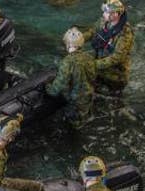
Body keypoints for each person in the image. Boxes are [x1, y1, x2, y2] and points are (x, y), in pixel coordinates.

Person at [46, 0, 134, 128]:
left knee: (113, 103)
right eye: (104, 11)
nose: (104, 14)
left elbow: (116, 58)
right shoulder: (104, 21)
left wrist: (91, 64)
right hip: (98, 68)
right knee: (91, 95)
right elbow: (93, 32)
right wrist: (78, 40)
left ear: (116, 14)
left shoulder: (125, 33)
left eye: (107, 12)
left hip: (115, 75)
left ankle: (115, 123)